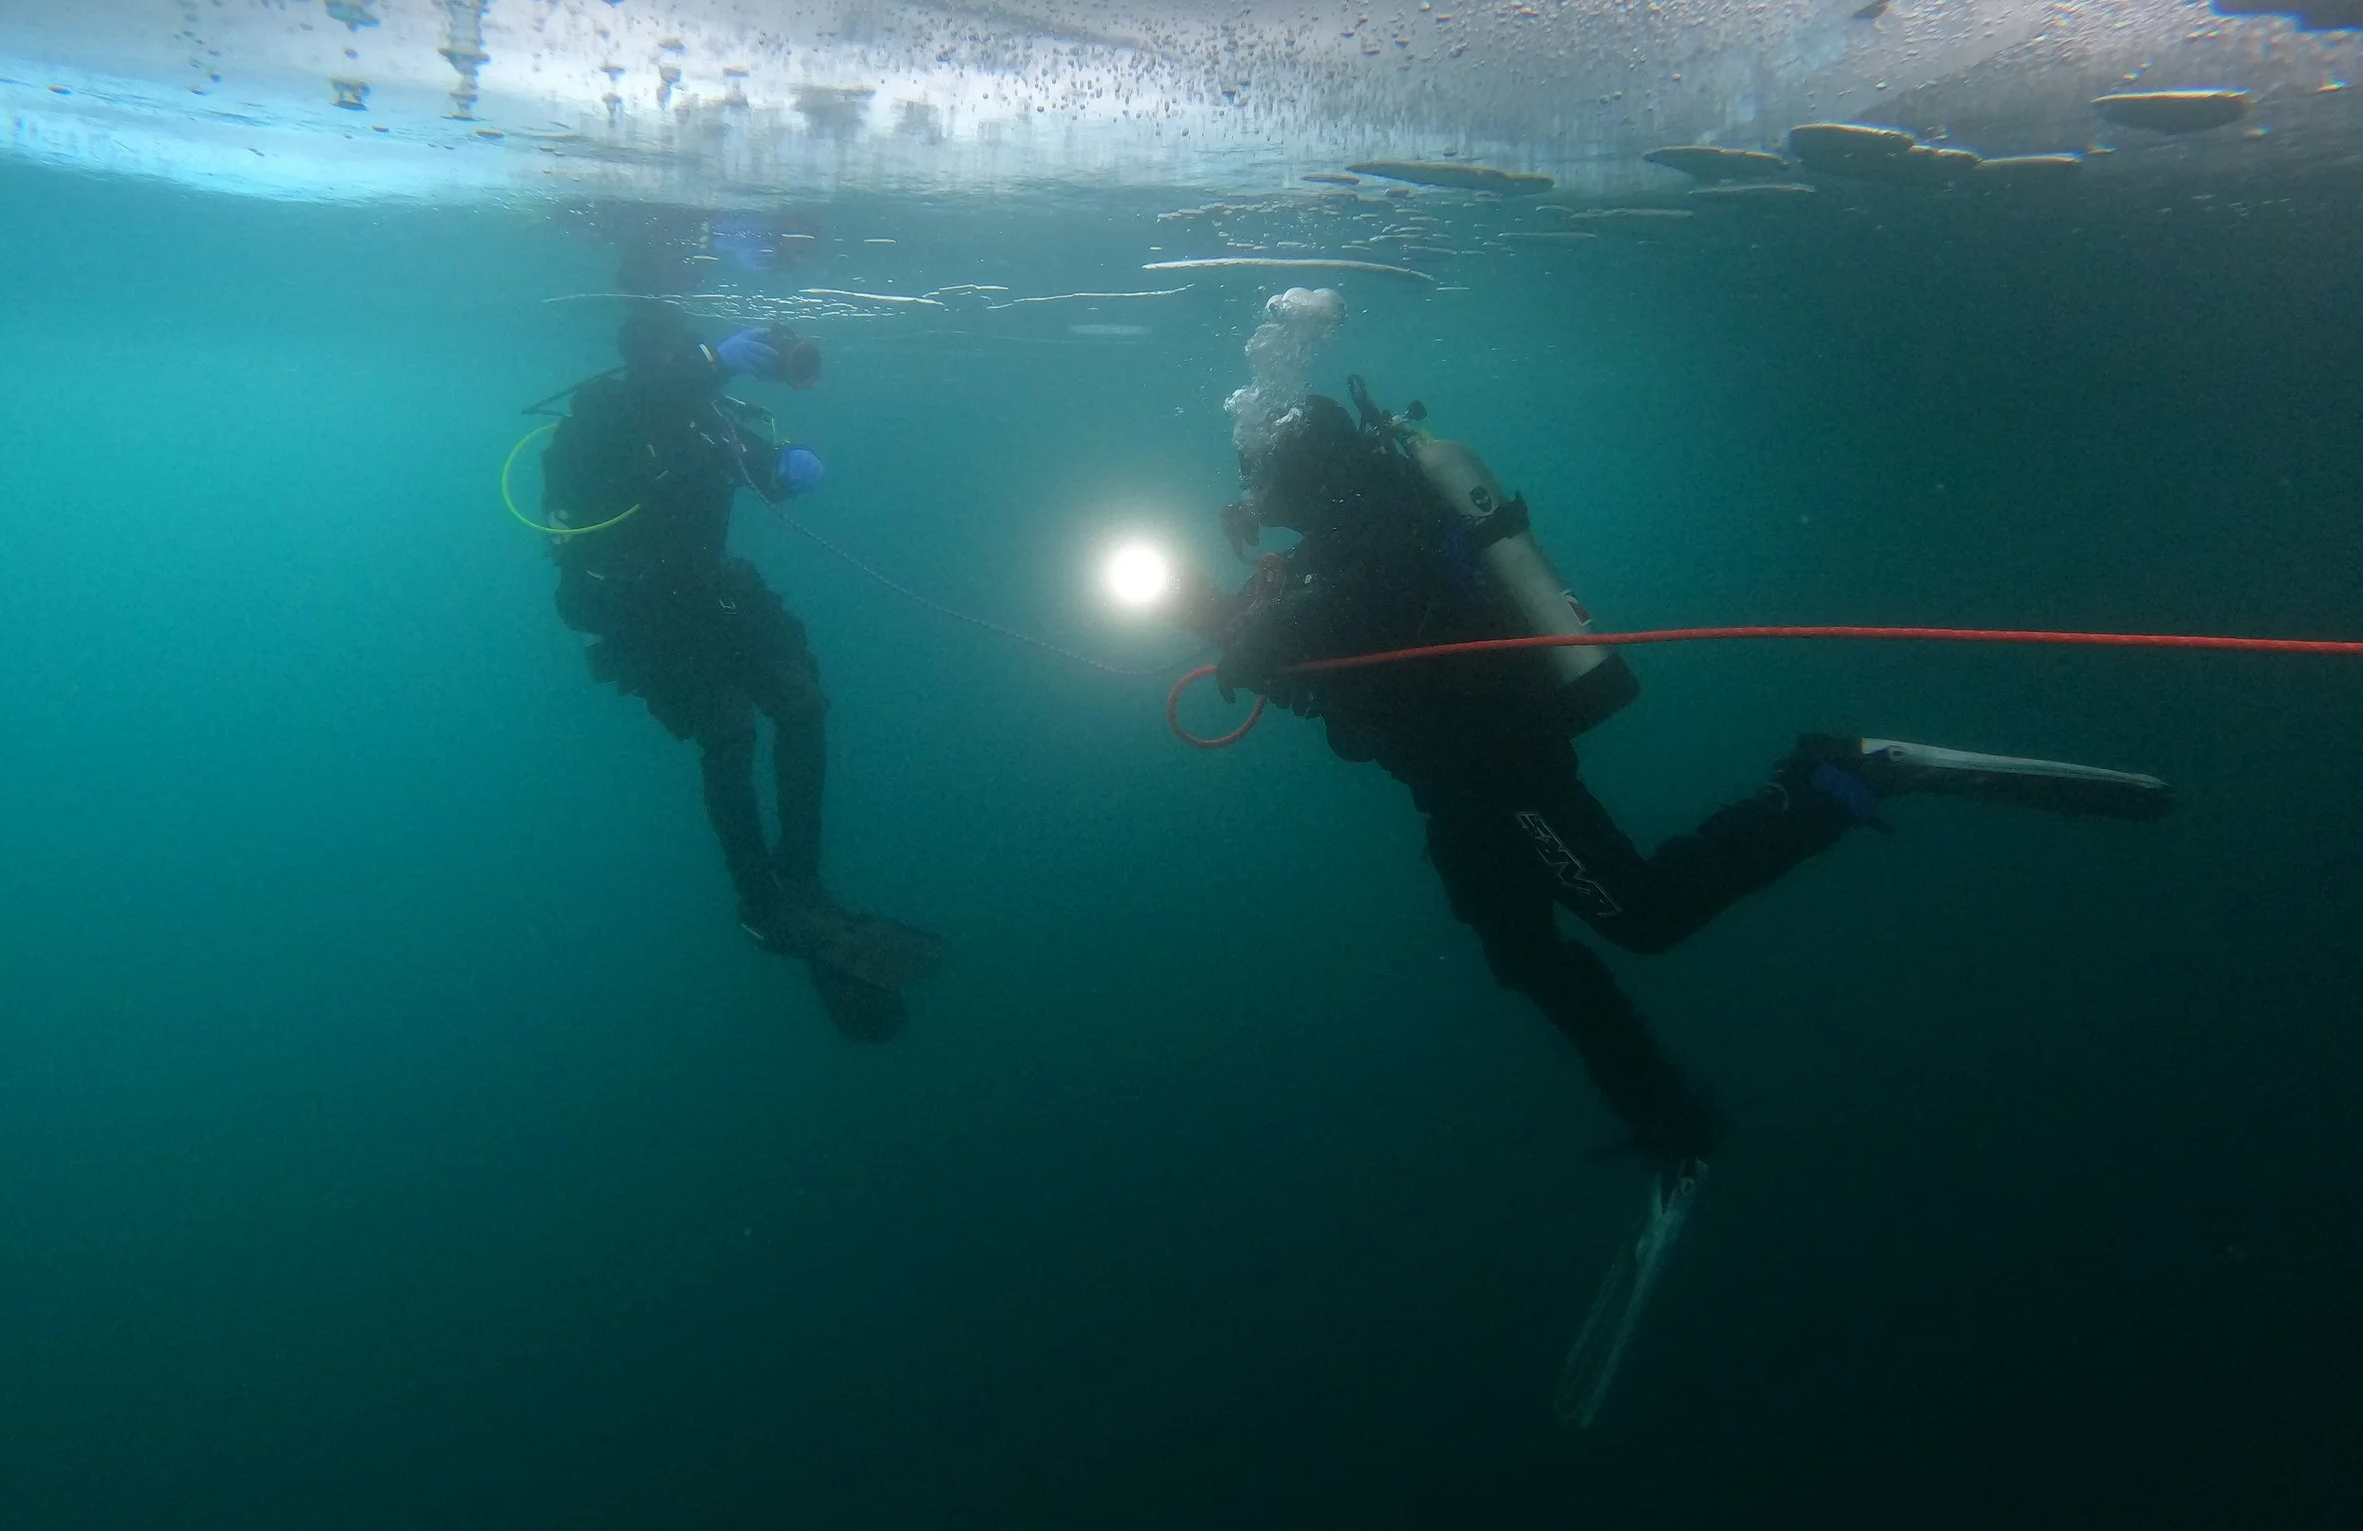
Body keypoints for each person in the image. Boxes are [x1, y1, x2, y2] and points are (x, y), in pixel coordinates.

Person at [1170, 386, 2172, 1171]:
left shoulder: (1377, 525)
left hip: (1501, 768)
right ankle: (1664, 1111)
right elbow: (1322, 657)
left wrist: (1245, 634)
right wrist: (1230, 621)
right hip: (1454, 791)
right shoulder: (1330, 548)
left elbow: (1352, 611)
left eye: (1259, 471)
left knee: (1642, 913)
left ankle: (1835, 780)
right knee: (1523, 954)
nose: (1250, 491)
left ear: (1301, 470)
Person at [539, 297, 944, 1040]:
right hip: (641, 611)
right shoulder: (604, 415)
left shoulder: (704, 414)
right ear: (638, 358)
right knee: (728, 729)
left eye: (685, 349)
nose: (679, 362)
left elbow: (751, 469)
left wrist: (786, 470)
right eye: (667, 353)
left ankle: (803, 880)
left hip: (713, 593)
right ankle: (759, 901)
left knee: (803, 702)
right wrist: (711, 364)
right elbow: (624, 432)